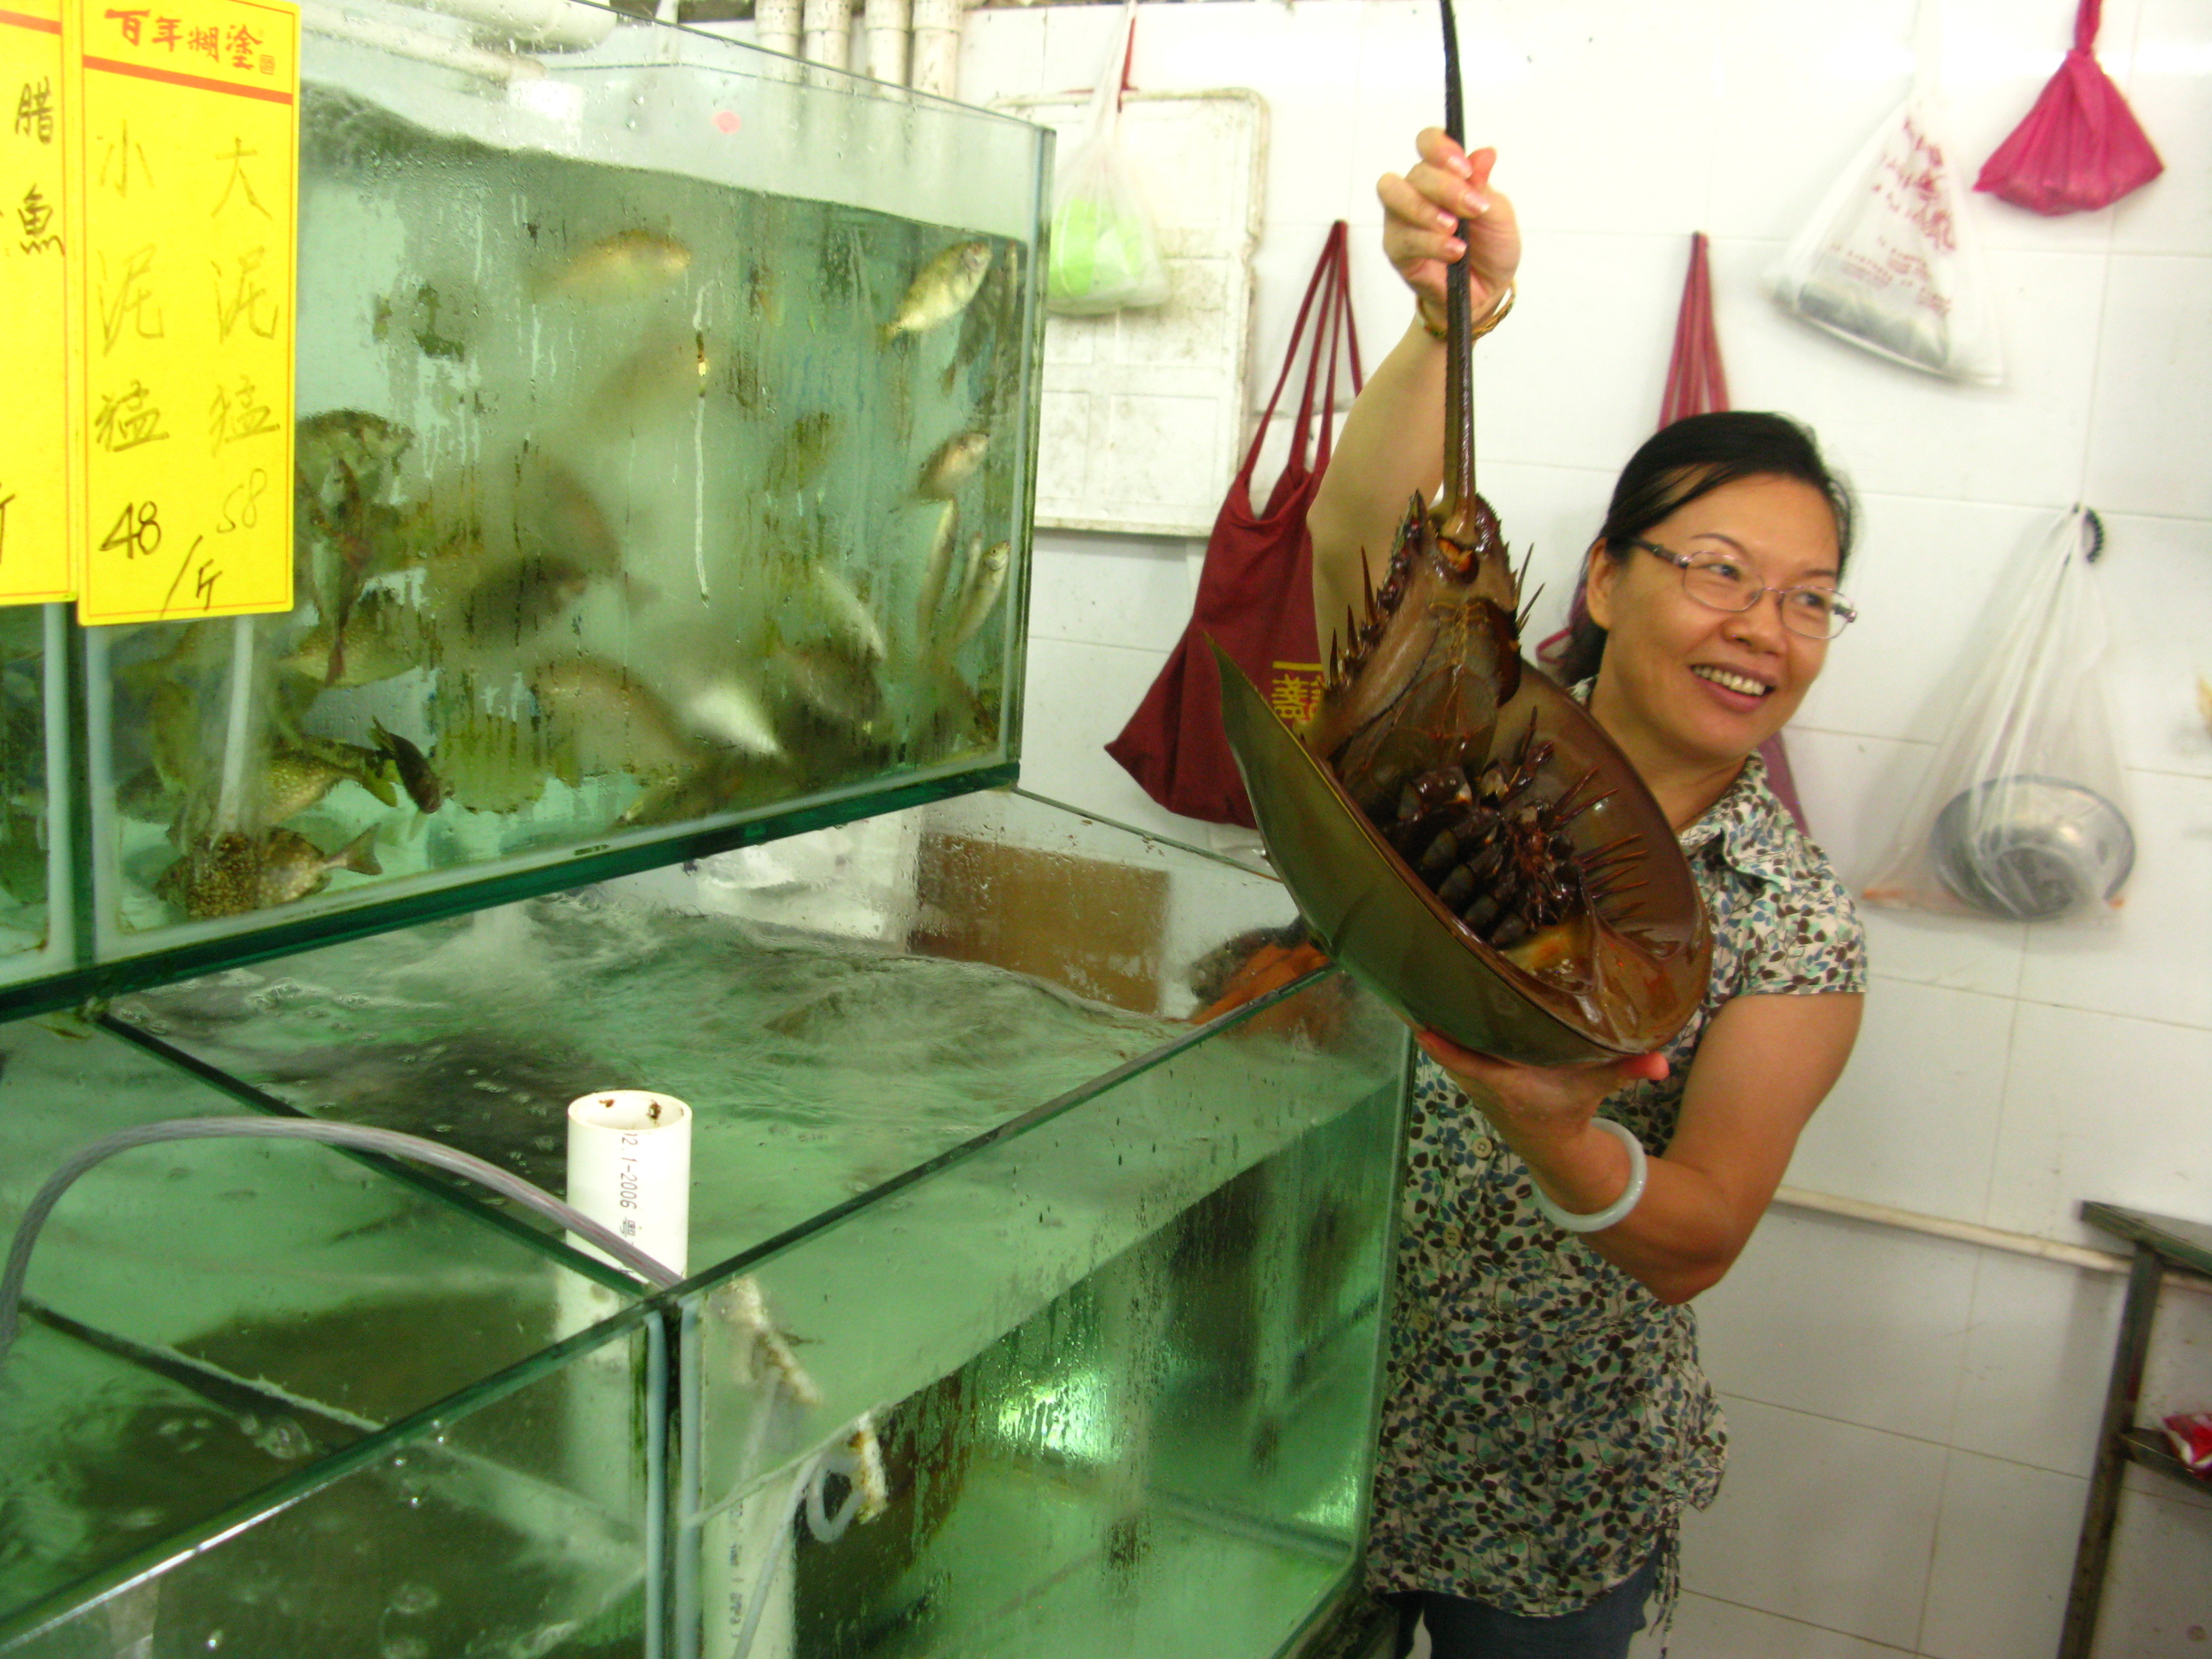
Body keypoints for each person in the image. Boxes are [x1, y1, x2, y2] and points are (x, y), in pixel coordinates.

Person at [1304, 129, 1869, 1657]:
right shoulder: (1460, 721)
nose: (1766, 625)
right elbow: (1360, 541)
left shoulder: (1795, 921)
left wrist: (1565, 1140)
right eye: (1721, 570)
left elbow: (1697, 1237)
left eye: (1810, 599)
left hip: (1547, 1475)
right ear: (1608, 579)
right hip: (1300, 1389)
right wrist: (1442, 326)